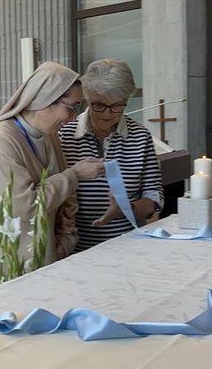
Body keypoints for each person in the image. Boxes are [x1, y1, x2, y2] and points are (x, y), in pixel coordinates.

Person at [0, 61, 104, 294]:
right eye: (71, 108)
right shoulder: (1, 139)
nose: (73, 118)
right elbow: (22, 205)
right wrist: (75, 174)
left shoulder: (49, 136)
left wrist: (65, 231)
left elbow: (66, 194)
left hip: (39, 253)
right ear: (45, 99)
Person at [59, 59, 164, 251]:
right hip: (76, 250)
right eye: (99, 105)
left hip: (127, 246)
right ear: (87, 98)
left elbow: (154, 195)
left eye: (117, 106)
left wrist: (127, 209)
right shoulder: (64, 135)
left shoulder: (140, 136)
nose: (107, 114)